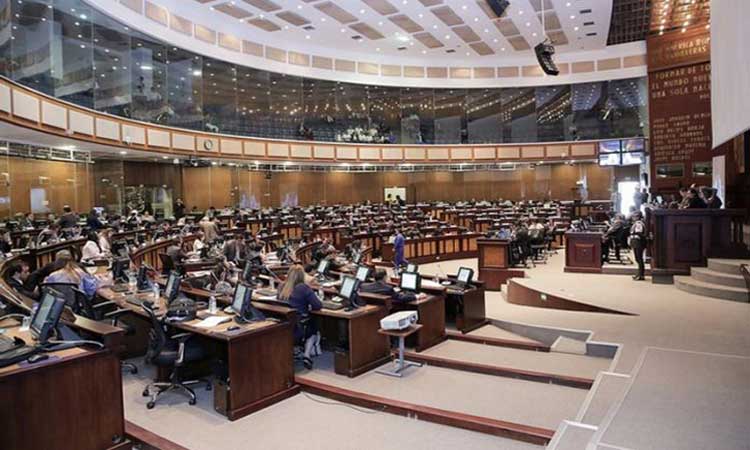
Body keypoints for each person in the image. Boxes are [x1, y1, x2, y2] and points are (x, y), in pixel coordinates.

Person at [278, 264, 322, 369]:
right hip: (299, 327)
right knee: (313, 325)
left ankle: (296, 350)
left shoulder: (281, 286)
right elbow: (318, 305)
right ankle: (307, 355)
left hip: (284, 326)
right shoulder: (303, 288)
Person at [629, 211, 647, 281]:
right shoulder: (636, 223)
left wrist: (633, 233)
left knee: (639, 258)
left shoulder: (639, 223)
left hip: (638, 242)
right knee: (637, 258)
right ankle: (639, 274)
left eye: (634, 216)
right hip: (635, 241)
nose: (633, 218)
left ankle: (641, 275)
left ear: (638, 216)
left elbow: (639, 232)